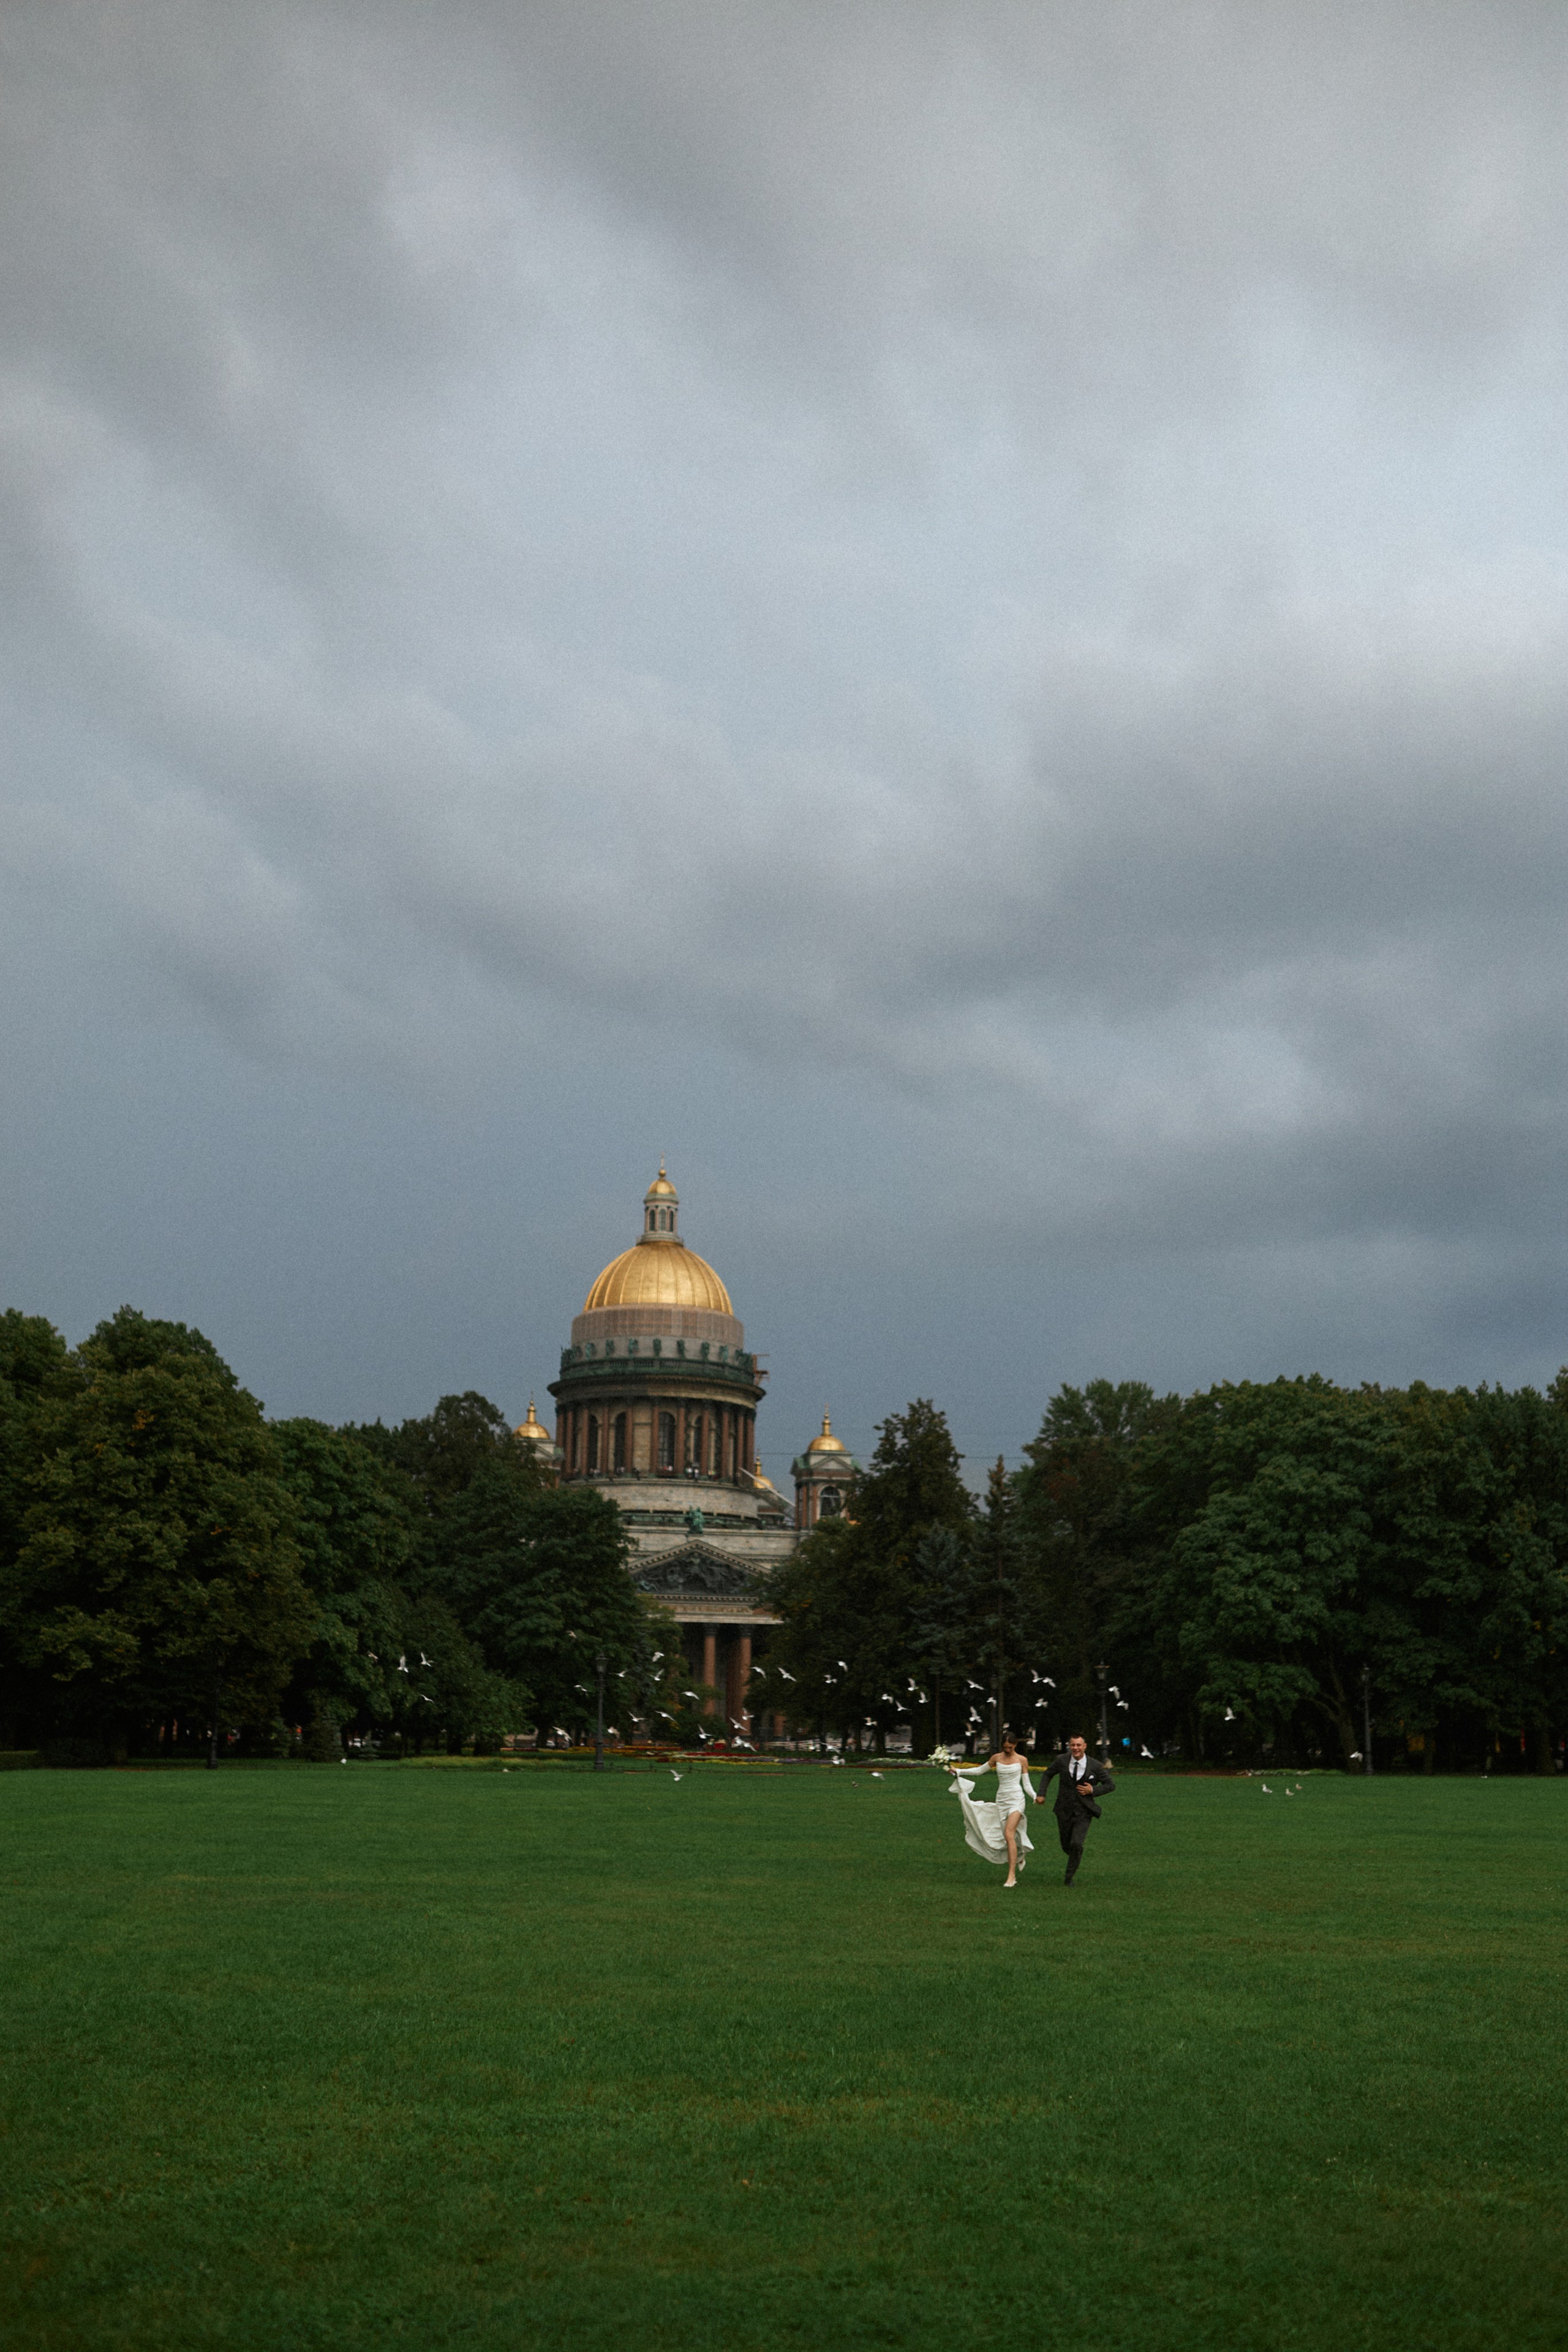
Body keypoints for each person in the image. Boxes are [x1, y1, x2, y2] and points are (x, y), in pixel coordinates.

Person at [948, 1732, 1037, 1887]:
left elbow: (1026, 1784)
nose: (1007, 1750)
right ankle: (1020, 1854)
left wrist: (1035, 1796)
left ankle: (1011, 1876)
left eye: (1010, 1747)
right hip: (1002, 1800)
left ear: (1015, 1745)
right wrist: (960, 1772)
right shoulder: (997, 1758)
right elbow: (980, 1771)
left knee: (1009, 1834)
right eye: (1005, 1747)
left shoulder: (1022, 1760)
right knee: (1008, 1835)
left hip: (1017, 1799)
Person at [1038, 1734, 1115, 1885]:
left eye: (1079, 1745)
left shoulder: (1095, 1766)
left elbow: (1110, 1785)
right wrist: (1042, 1794)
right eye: (1073, 1745)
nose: (1076, 1748)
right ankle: (1075, 1855)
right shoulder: (1062, 1761)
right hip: (1063, 1809)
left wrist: (1092, 1790)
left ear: (1085, 1746)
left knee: (1076, 1843)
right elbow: (1048, 1774)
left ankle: (1069, 1878)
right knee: (1067, 1845)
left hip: (1084, 1811)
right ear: (1069, 1746)